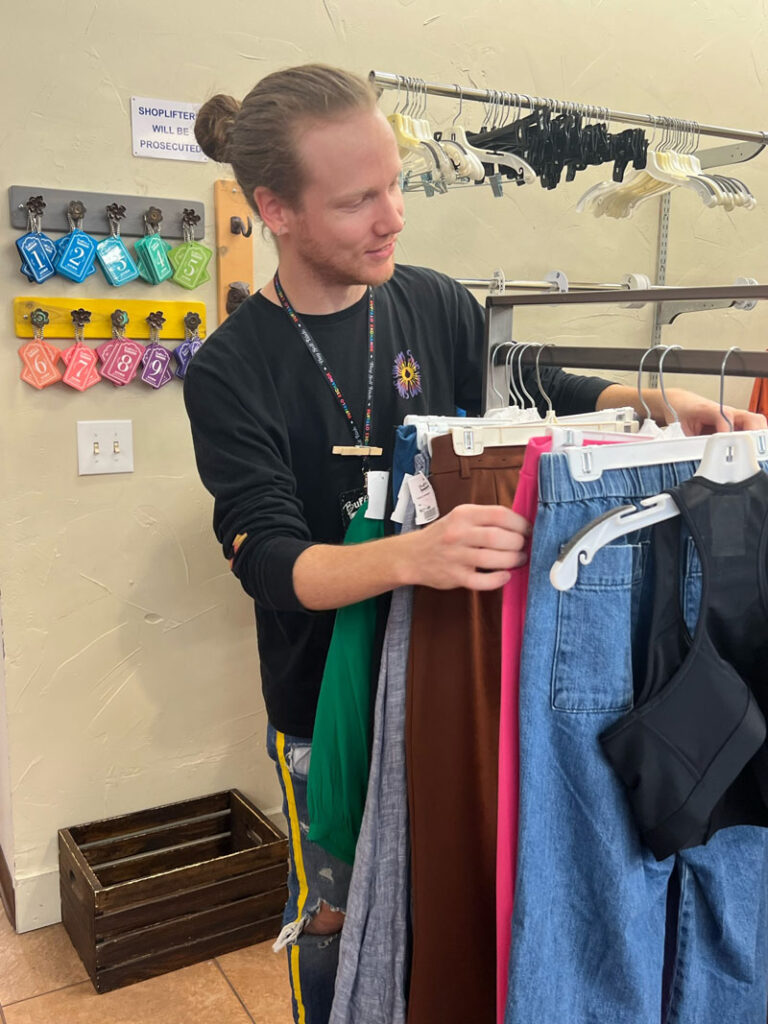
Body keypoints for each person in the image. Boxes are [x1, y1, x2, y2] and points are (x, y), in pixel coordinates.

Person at [184, 64, 766, 1024]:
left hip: (454, 677)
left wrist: (658, 406)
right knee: (336, 925)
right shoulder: (232, 370)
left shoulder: (434, 304)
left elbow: (542, 393)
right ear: (274, 210)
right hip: (327, 708)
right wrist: (412, 555)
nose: (393, 218)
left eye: (396, 186)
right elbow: (272, 564)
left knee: (439, 908)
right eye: (358, 201)